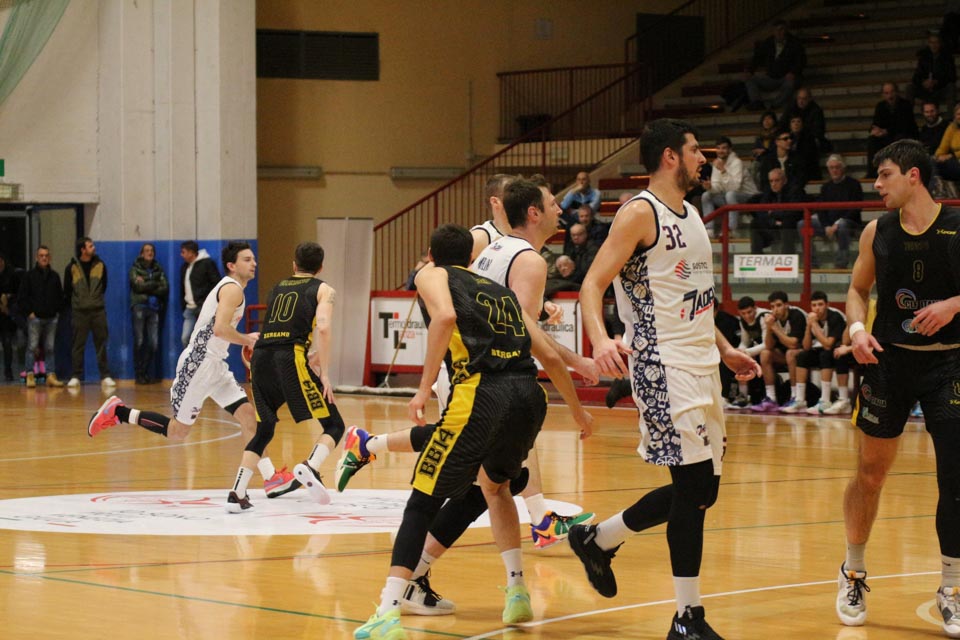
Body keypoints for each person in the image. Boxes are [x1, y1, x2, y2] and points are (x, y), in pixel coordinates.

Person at [353, 224, 593, 638]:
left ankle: (387, 612)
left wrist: (423, 388)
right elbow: (551, 357)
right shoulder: (500, 292)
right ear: (471, 257)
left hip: (481, 394)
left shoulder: (432, 273)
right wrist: (578, 412)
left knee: (421, 502)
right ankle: (517, 590)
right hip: (528, 396)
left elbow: (445, 316)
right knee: (495, 487)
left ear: (431, 255)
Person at [573, 118, 762, 640]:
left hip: (702, 364)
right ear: (670, 157)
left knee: (703, 490)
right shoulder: (640, 212)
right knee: (694, 488)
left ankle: (598, 539)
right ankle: (686, 618)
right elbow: (592, 284)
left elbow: (699, 299)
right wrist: (601, 339)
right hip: (661, 365)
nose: (704, 158)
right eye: (695, 150)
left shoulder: (694, 215)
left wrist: (726, 349)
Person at [836, 139, 960, 637]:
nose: (877, 184)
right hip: (888, 361)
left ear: (913, 176)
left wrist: (953, 305)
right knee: (869, 473)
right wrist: (856, 329)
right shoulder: (877, 232)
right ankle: (853, 572)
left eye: (885, 174)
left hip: (949, 363)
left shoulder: (957, 226)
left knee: (954, 479)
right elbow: (856, 289)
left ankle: (952, 588)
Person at [87, 242, 298, 501]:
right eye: (246, 259)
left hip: (216, 365)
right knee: (178, 431)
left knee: (247, 416)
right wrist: (248, 339)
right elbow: (220, 329)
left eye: (253, 258)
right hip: (199, 365)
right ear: (231, 266)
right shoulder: (232, 289)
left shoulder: (234, 290)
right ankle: (118, 413)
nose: (253, 263)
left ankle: (271, 478)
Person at [225, 241, 347, 512]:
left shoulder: (278, 287)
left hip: (261, 358)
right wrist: (325, 373)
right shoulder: (324, 289)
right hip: (289, 358)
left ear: (294, 265)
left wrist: (310, 354)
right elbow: (323, 328)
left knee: (264, 429)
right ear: (321, 267)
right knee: (334, 424)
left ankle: (237, 491)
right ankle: (311, 466)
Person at [779, 291, 846, 414]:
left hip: (839, 351)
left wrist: (814, 324)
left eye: (820, 304)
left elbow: (828, 345)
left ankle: (825, 400)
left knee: (825, 355)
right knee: (802, 356)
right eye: (814, 305)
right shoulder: (811, 319)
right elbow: (806, 346)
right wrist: (808, 327)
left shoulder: (835, 317)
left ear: (827, 305)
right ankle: (800, 400)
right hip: (821, 350)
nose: (817, 308)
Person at [64, 237, 113, 388]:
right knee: (78, 345)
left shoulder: (100, 265)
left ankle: (105, 376)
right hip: (79, 312)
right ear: (83, 250)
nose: (94, 248)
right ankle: (76, 376)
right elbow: (67, 290)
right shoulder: (71, 267)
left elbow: (104, 286)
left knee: (101, 343)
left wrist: (95, 299)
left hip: (98, 311)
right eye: (90, 246)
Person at [801, 154, 863, 268]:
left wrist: (837, 223)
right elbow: (821, 209)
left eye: (837, 167)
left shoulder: (854, 184)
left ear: (843, 168)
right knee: (803, 224)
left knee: (843, 225)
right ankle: (811, 263)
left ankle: (841, 263)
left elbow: (856, 209)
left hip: (849, 222)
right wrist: (826, 226)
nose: (834, 170)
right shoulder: (825, 187)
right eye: (831, 168)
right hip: (829, 223)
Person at [750, 290, 807, 412]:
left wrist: (775, 328)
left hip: (805, 353)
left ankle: (795, 397)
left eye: (779, 305)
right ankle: (771, 398)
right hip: (785, 354)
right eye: (772, 307)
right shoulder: (773, 319)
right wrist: (769, 328)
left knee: (790, 353)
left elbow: (793, 344)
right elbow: (769, 345)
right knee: (765, 354)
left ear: (786, 305)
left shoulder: (797, 315)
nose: (775, 310)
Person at [18, 245, 64, 388]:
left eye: (46, 255)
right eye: (41, 256)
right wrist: (29, 312)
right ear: (36, 258)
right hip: (35, 317)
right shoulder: (29, 276)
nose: (44, 258)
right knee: (32, 346)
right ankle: (30, 374)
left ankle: (50, 375)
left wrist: (57, 311)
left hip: (52, 318)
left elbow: (60, 296)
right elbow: (22, 297)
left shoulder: (55, 276)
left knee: (50, 347)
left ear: (49, 258)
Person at [699, 136, 757, 237]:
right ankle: (709, 229)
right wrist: (710, 187)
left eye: (724, 148)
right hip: (728, 196)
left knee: (730, 195)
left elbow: (735, 187)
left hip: (749, 196)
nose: (721, 151)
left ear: (730, 149)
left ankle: (730, 229)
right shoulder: (717, 163)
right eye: (718, 148)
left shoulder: (737, 162)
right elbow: (718, 187)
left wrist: (723, 171)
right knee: (706, 195)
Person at [129, 243, 169, 384]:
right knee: (139, 341)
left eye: (152, 250)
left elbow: (164, 288)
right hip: (139, 306)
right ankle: (139, 373)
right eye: (146, 251)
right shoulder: (135, 269)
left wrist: (146, 283)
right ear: (141, 254)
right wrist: (154, 284)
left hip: (154, 308)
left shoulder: (158, 269)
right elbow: (137, 286)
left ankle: (144, 371)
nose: (150, 253)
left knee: (154, 344)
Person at [744, 20, 806, 109]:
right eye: (776, 30)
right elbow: (757, 57)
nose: (779, 33)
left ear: (786, 30)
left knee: (790, 84)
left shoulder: (795, 43)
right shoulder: (768, 42)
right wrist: (750, 70)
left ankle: (775, 104)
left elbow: (801, 61)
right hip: (771, 76)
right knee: (750, 80)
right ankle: (757, 102)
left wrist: (793, 72)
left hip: (786, 77)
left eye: (781, 29)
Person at [866, 82, 919, 178]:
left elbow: (905, 126)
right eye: (886, 93)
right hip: (886, 137)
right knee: (872, 140)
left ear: (897, 92)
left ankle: (900, 171)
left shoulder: (905, 105)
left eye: (891, 92)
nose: (889, 96)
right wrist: (874, 131)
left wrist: (886, 131)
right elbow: (875, 123)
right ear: (883, 95)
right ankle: (872, 172)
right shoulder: (880, 106)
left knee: (900, 139)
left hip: (903, 135)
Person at [749, 168, 805, 255]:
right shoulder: (768, 192)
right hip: (774, 225)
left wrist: (773, 213)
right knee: (755, 223)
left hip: (789, 226)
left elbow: (793, 213)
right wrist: (774, 221)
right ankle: (756, 256)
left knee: (787, 222)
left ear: (784, 181)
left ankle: (787, 256)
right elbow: (761, 212)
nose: (773, 184)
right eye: (771, 181)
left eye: (777, 180)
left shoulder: (794, 191)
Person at [179, 240, 221, 348]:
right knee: (185, 338)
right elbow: (182, 287)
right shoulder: (185, 267)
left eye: (183, 252)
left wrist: (208, 303)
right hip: (189, 308)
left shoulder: (207, 264)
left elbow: (216, 284)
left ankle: (203, 358)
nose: (181, 255)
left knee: (204, 338)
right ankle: (190, 358)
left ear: (191, 252)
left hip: (203, 307)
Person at [730, 296, 769, 407]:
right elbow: (744, 342)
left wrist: (746, 352)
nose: (747, 316)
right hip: (760, 349)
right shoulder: (742, 321)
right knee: (739, 357)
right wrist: (739, 351)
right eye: (743, 313)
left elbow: (767, 344)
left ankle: (768, 396)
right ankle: (743, 396)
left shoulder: (764, 316)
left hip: (775, 348)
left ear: (755, 308)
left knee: (759, 355)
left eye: (749, 312)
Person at [906, 33, 956, 110]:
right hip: (925, 89)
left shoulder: (947, 57)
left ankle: (951, 116)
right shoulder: (924, 57)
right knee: (910, 88)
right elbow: (916, 76)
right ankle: (908, 114)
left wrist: (937, 82)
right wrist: (923, 82)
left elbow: (952, 76)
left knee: (951, 87)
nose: (934, 45)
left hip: (940, 89)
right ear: (929, 44)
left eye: (936, 42)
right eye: (932, 42)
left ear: (940, 44)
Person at [779, 87, 830, 153]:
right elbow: (782, 123)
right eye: (799, 98)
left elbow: (818, 131)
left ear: (810, 99)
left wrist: (800, 131)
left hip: (808, 140)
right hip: (791, 137)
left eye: (804, 99)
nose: (801, 101)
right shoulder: (791, 107)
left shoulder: (816, 111)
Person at [0, 252, 20, 381]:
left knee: (7, 343)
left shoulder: (11, 274)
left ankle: (8, 371)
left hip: (6, 314)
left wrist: (8, 299)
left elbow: (18, 293)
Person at [935, 103, 960, 182]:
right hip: (956, 163)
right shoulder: (951, 128)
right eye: (958, 114)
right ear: (955, 116)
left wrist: (952, 155)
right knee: (933, 164)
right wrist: (939, 156)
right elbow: (941, 149)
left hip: (956, 161)